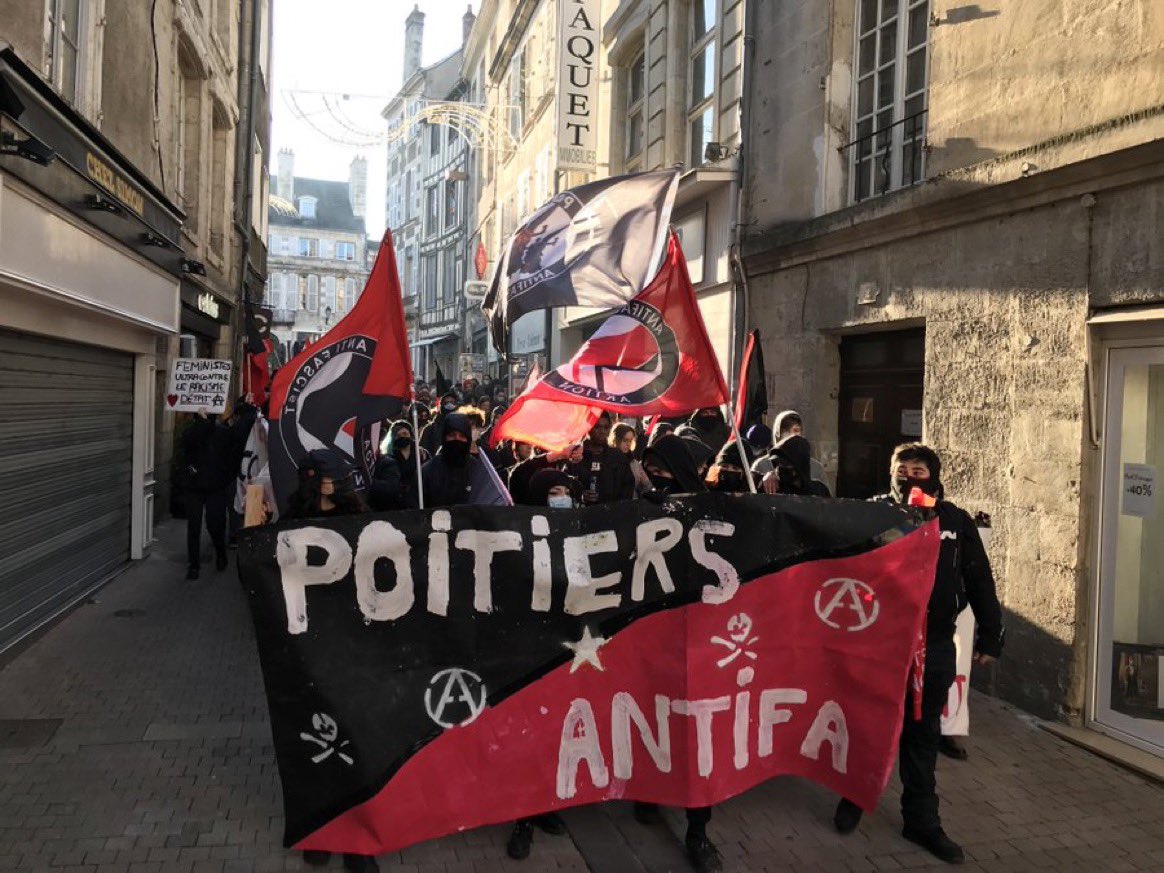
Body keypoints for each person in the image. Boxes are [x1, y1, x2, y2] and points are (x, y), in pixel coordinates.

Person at [832, 443, 1004, 866]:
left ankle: (922, 821)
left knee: (923, 734)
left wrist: (991, 636)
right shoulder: (872, 514)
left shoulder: (955, 521)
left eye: (919, 469)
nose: (909, 476)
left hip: (936, 645)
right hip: (879, 643)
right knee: (870, 722)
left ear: (934, 474)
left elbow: (980, 579)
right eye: (902, 469)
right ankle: (855, 795)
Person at [283, 450, 378, 873]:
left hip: (351, 643)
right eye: (322, 477)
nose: (329, 484)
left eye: (334, 478)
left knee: (358, 742)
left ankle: (359, 842)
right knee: (315, 743)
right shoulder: (291, 519)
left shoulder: (358, 518)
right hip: (306, 645)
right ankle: (321, 831)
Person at [632, 433, 721, 873]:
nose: (656, 479)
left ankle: (698, 830)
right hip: (650, 637)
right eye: (650, 471)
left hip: (698, 642)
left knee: (693, 735)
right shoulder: (638, 508)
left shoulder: (713, 513)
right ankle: (649, 795)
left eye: (664, 472)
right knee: (651, 719)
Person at [504, 467, 580, 860]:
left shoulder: (579, 529)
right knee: (528, 735)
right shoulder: (518, 534)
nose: (561, 496)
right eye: (553, 490)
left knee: (557, 734)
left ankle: (548, 806)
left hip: (566, 647)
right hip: (528, 649)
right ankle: (523, 819)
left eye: (566, 490)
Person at [181, 406, 249, 580]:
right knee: (194, 527)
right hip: (194, 486)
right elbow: (190, 443)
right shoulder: (191, 432)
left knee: (215, 524)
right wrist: (202, 423)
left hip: (215, 487)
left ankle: (220, 552)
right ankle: (194, 565)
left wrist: (246, 406)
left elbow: (238, 438)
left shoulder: (223, 433)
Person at [563, 413, 635, 504]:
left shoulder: (617, 456)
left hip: (612, 513)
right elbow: (565, 486)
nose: (602, 431)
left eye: (606, 427)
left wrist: (617, 509)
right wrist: (580, 495)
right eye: (597, 427)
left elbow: (628, 486)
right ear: (588, 429)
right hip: (583, 514)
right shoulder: (575, 456)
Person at [421, 413, 477, 507]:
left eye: (462, 436)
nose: (457, 439)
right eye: (452, 435)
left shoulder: (477, 469)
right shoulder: (428, 471)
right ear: (444, 438)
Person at [370, 421, 425, 511]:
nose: (402, 437)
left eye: (404, 433)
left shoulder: (421, 454)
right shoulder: (387, 458)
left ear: (410, 435)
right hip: (395, 503)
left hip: (418, 499)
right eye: (398, 435)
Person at [755, 434, 831, 497]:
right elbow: (748, 479)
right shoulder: (772, 487)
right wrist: (763, 479)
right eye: (778, 464)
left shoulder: (818, 490)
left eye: (786, 465)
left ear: (799, 466)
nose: (780, 468)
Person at [610, 423, 651, 494]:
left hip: (631, 503)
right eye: (625, 440)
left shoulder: (634, 463)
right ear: (616, 439)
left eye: (630, 441)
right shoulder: (607, 459)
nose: (628, 444)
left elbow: (647, 486)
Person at [419, 391, 459, 456]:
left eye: (452, 402)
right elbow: (424, 452)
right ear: (442, 406)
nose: (449, 405)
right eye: (446, 403)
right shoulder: (430, 429)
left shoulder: (464, 426)